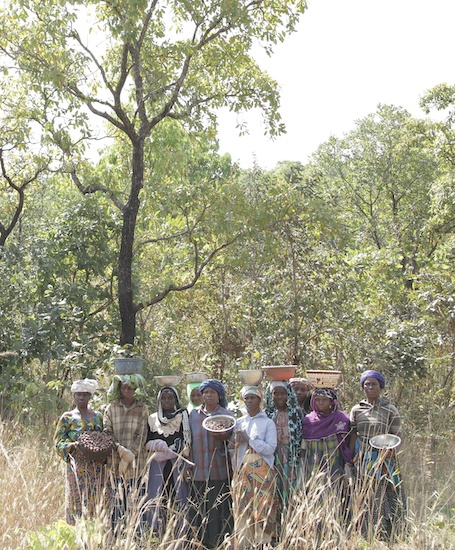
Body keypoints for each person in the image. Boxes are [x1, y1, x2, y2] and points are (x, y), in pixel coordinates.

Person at [349, 369, 407, 540]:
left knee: (389, 493)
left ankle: (393, 533)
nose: (370, 387)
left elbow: (397, 436)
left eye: (374, 384)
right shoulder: (357, 409)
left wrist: (391, 452)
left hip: (385, 459)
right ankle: (368, 533)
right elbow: (353, 435)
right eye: (366, 384)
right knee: (367, 495)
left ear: (380, 387)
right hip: (364, 459)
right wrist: (352, 457)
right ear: (362, 387)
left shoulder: (390, 409)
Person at [187, 379, 234, 549]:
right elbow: (188, 442)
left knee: (219, 508)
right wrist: (187, 466)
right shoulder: (193, 415)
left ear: (219, 395)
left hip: (219, 471)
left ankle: (219, 542)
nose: (208, 396)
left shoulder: (226, 415)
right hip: (198, 472)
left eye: (212, 392)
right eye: (205, 392)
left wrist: (226, 439)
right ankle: (200, 542)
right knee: (200, 508)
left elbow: (234, 443)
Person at [54, 378, 104, 524]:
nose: (82, 397)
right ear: (74, 396)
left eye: (85, 394)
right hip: (76, 467)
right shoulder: (67, 418)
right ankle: (74, 534)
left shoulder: (97, 417)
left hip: (96, 467)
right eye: (78, 394)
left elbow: (103, 437)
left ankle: (92, 537)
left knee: (94, 501)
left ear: (90, 396)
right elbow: (58, 443)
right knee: (75, 500)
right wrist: (75, 445)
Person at [104, 373, 149, 535]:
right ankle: (117, 538)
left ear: (135, 389)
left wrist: (130, 455)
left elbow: (143, 435)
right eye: (124, 387)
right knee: (117, 506)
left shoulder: (142, 408)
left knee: (137, 505)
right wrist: (120, 450)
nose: (127, 390)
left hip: (137, 467)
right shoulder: (111, 408)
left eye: (130, 388)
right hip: (116, 466)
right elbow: (107, 432)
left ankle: (137, 540)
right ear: (120, 389)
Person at [233, 385, 278, 550]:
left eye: (253, 398)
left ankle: (263, 542)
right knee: (243, 506)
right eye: (247, 398)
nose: (250, 401)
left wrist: (250, 439)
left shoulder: (267, 423)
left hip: (262, 469)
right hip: (242, 469)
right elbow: (235, 448)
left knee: (263, 506)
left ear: (260, 400)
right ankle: (246, 543)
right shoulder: (239, 422)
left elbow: (270, 448)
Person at [145, 385, 191, 535]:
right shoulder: (152, 419)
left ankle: (180, 533)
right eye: (163, 398)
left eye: (170, 397)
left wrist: (175, 449)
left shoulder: (183, 417)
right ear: (159, 400)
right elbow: (145, 441)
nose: (167, 401)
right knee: (157, 497)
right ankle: (157, 533)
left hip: (177, 465)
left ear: (176, 399)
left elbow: (187, 441)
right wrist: (156, 445)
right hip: (157, 465)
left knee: (178, 497)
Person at [264, 381, 302, 527]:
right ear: (270, 395)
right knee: (273, 491)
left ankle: (291, 526)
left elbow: (300, 436)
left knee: (290, 491)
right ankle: (274, 529)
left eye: (283, 393)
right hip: (271, 457)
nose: (279, 397)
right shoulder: (266, 414)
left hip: (291, 457)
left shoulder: (296, 413)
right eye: (276, 393)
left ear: (288, 395)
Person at [301, 389, 353, 483]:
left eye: (324, 400)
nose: (320, 403)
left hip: (335, 462)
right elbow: (304, 446)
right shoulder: (308, 420)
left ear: (331, 402)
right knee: (315, 486)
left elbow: (347, 441)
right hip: (314, 462)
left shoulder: (341, 418)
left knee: (334, 486)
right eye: (317, 399)